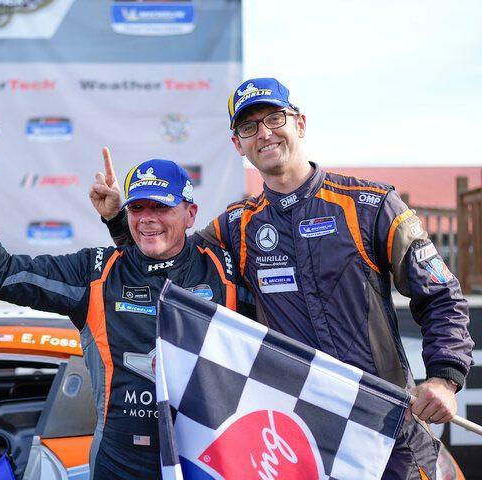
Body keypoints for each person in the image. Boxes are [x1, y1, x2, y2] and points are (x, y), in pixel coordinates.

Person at [93, 77, 474, 479]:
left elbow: (441, 295)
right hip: (295, 438)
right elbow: (169, 256)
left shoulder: (370, 204)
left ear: (301, 123)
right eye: (248, 127)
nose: (264, 133)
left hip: (382, 429)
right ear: (237, 144)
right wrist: (120, 220)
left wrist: (445, 377)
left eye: (275, 118)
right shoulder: (236, 226)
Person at [0, 128, 251, 480]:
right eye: (137, 207)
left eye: (161, 207)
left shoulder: (224, 270)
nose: (147, 217)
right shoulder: (97, 272)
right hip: (121, 465)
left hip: (208, 463)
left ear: (190, 214)